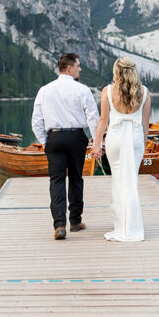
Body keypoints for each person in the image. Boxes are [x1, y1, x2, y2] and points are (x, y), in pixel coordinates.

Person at [32, 52, 100, 240]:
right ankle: (75, 221)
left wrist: (44, 142)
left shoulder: (44, 90)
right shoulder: (82, 90)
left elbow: (36, 120)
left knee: (57, 181)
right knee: (77, 178)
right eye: (78, 65)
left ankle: (59, 225)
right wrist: (96, 142)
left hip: (54, 138)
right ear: (69, 68)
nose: (80, 69)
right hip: (77, 137)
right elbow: (93, 118)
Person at [91, 57, 151, 242]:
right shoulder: (144, 92)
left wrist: (96, 145)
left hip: (115, 139)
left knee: (118, 181)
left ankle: (121, 227)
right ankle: (132, 227)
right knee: (131, 182)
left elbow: (103, 120)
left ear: (116, 71)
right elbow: (145, 123)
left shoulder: (107, 91)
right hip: (135, 139)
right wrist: (144, 143)